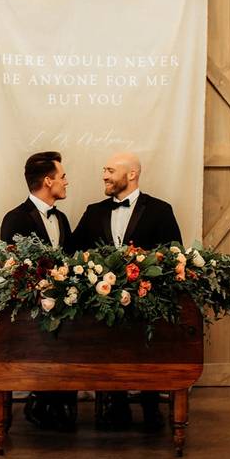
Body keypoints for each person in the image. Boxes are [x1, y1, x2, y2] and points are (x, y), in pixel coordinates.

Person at [72, 151, 182, 432]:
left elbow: (174, 254)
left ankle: (150, 407)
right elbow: (73, 254)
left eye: (110, 170)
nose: (104, 176)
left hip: (148, 304)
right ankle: (114, 407)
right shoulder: (93, 211)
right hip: (103, 305)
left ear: (131, 174)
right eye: (104, 170)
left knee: (147, 353)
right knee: (110, 352)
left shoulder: (160, 210)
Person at [0, 151, 76, 431]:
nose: (66, 182)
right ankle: (40, 401)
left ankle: (60, 403)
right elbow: (11, 269)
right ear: (48, 180)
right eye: (63, 176)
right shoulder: (15, 219)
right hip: (30, 315)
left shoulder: (63, 219)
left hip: (65, 311)